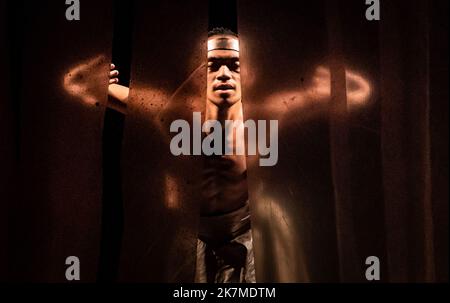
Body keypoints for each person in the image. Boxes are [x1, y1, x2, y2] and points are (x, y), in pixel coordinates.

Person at [108, 27, 256, 283]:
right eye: (213, 66)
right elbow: (78, 85)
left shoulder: (265, 115)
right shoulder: (173, 112)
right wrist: (101, 80)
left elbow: (341, 95)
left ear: (249, 71)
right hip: (191, 235)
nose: (224, 75)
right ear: (198, 73)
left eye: (234, 65)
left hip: (245, 236)